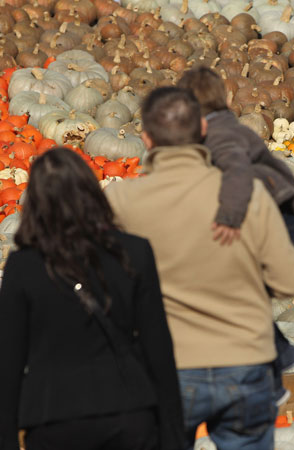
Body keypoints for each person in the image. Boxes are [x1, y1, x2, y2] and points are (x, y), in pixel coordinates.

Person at [105, 87, 294, 450]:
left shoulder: (121, 201)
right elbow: (289, 280)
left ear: (146, 138)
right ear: (201, 129)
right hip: (246, 362)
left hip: (166, 367)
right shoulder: (250, 196)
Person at [0, 148, 185, 450]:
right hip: (128, 408)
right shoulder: (135, 252)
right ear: (91, 193)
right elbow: (159, 348)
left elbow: (8, 362)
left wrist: (6, 439)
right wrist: (173, 434)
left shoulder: (25, 267)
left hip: (54, 416)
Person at [177, 67, 294, 405]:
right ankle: (283, 358)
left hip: (274, 222)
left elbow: (236, 172)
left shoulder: (222, 134)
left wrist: (228, 219)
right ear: (228, 98)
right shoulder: (215, 132)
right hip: (270, 219)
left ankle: (274, 374)